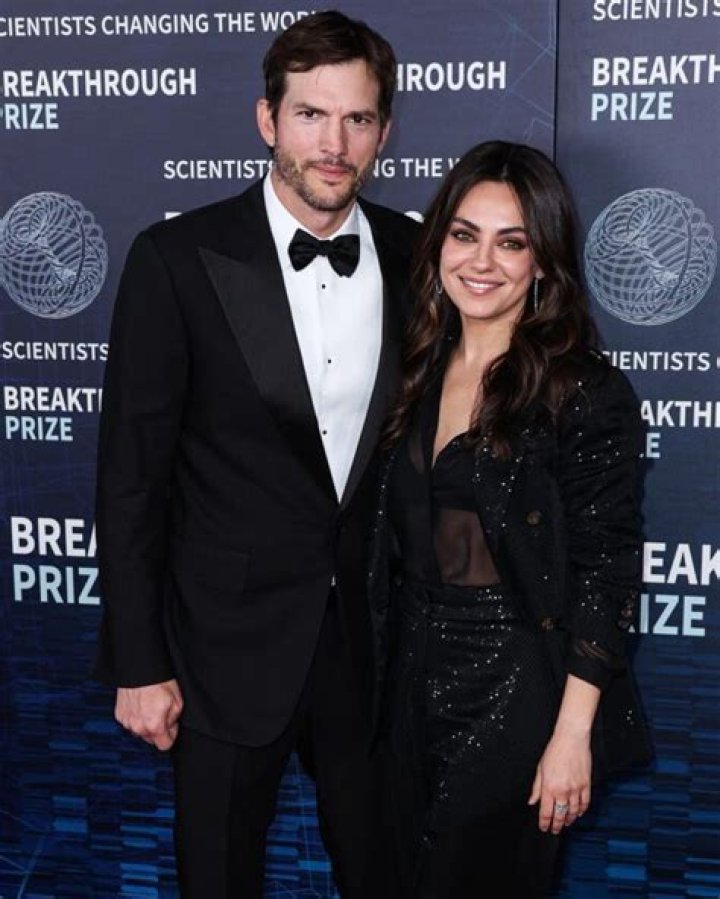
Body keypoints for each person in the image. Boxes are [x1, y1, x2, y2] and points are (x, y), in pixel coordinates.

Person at [94, 11, 418, 898]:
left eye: (357, 119)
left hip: (373, 651)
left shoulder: (417, 254)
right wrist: (138, 661)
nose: (334, 144)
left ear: (384, 131)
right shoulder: (177, 258)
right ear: (267, 119)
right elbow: (131, 479)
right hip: (220, 652)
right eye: (311, 114)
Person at [368, 141, 652, 897]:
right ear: (438, 243)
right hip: (405, 679)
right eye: (465, 234)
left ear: (544, 262)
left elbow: (607, 570)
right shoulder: (414, 368)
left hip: (516, 685)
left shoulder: (583, 391)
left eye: (511, 242)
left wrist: (572, 735)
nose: (482, 261)